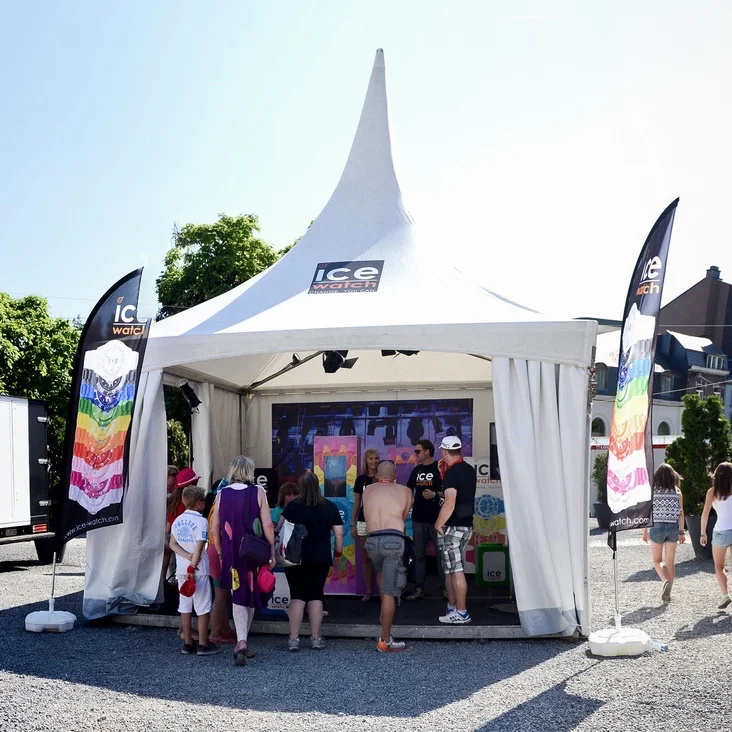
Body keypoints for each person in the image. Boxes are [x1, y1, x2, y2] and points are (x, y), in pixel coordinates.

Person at [211, 456, 276, 666]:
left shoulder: (222, 494)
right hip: (253, 552)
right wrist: (272, 550)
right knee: (251, 593)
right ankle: (242, 642)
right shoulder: (258, 491)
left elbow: (215, 528)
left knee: (237, 594)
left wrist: (221, 553)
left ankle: (242, 641)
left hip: (231, 553)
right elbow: (267, 525)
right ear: (249, 471)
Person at [282, 472, 344, 651]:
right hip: (320, 557)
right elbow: (339, 534)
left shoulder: (293, 506)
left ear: (300, 486)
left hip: (295, 557)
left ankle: (293, 640)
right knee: (316, 594)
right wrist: (337, 555)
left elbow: (280, 527)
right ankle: (315, 639)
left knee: (297, 595)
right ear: (318, 485)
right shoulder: (329, 506)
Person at [363, 460, 413, 652]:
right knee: (390, 591)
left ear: (377, 475)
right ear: (395, 476)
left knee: (382, 574)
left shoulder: (368, 490)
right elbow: (403, 516)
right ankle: (385, 640)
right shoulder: (405, 491)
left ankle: (384, 615)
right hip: (393, 539)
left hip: (372, 540)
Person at [169, 485, 220, 655]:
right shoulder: (201, 521)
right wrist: (193, 563)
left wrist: (185, 555)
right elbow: (199, 546)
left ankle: (187, 642)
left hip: (181, 569)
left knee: (185, 605)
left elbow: (172, 544)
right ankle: (203, 643)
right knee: (203, 606)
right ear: (199, 503)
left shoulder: (177, 520)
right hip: (198, 569)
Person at [434, 436, 476, 624]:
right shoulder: (468, 470)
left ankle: (461, 612)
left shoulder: (452, 473)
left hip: (452, 526)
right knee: (450, 569)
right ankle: (452, 607)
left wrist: (438, 523)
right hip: (466, 525)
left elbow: (449, 503)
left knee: (456, 570)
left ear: (444, 451)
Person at [404, 439, 444, 601]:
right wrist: (409, 502)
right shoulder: (417, 470)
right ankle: (419, 588)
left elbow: (449, 491)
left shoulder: (439, 468)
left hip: (437, 519)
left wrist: (435, 494)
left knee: (441, 555)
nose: (415, 454)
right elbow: (408, 489)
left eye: (418, 451)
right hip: (418, 518)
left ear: (427, 451)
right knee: (419, 555)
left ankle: (447, 589)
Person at [641, 464, 685, 602]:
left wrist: (644, 531)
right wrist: (681, 532)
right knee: (670, 562)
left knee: (657, 560)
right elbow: (681, 513)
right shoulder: (677, 491)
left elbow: (647, 513)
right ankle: (669, 591)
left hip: (657, 527)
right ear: (672, 476)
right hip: (673, 527)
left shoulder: (652, 491)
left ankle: (665, 581)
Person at [202, 478, 236, 645]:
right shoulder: (221, 508)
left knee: (222, 594)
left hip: (213, 549)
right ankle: (215, 632)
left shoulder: (213, 506)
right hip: (218, 551)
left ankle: (225, 628)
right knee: (221, 595)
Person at [701, 461, 732, 609]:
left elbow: (705, 514)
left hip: (720, 532)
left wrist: (703, 533)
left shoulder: (712, 492)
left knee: (719, 566)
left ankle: (726, 595)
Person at [352, 449, 379, 601]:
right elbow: (357, 503)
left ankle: (385, 593)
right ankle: (368, 591)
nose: (374, 461)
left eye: (376, 458)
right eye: (371, 459)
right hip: (363, 521)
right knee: (366, 557)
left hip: (380, 521)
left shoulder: (383, 478)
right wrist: (353, 523)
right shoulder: (360, 480)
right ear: (366, 461)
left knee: (381, 557)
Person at [165, 467, 198, 585]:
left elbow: (169, 524)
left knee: (172, 567)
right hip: (187, 542)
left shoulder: (173, 500)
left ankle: (166, 586)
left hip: (173, 539)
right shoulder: (189, 504)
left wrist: (168, 538)